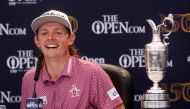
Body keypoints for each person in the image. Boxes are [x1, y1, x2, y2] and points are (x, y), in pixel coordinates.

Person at [20, 10, 125, 109]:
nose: (50, 37)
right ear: (37, 41)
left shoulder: (92, 73)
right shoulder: (29, 79)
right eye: (44, 33)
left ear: (71, 38)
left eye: (58, 32)